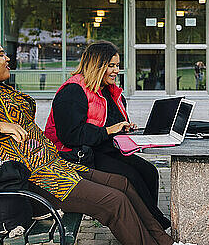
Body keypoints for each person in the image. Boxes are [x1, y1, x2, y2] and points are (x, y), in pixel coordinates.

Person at [0, 26, 190, 245]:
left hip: (54, 166)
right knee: (114, 202)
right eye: (0, 54)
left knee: (123, 184)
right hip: (38, 181)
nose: (7, 58)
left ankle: (167, 241)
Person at [44, 41, 171, 229]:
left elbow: (110, 122)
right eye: (110, 65)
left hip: (103, 148)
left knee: (149, 171)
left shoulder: (108, 91)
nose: (115, 71)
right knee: (131, 178)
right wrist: (109, 131)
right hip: (78, 154)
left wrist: (124, 127)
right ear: (97, 65)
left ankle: (147, 221)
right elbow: (70, 135)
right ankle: (154, 225)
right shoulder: (73, 91)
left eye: (117, 65)